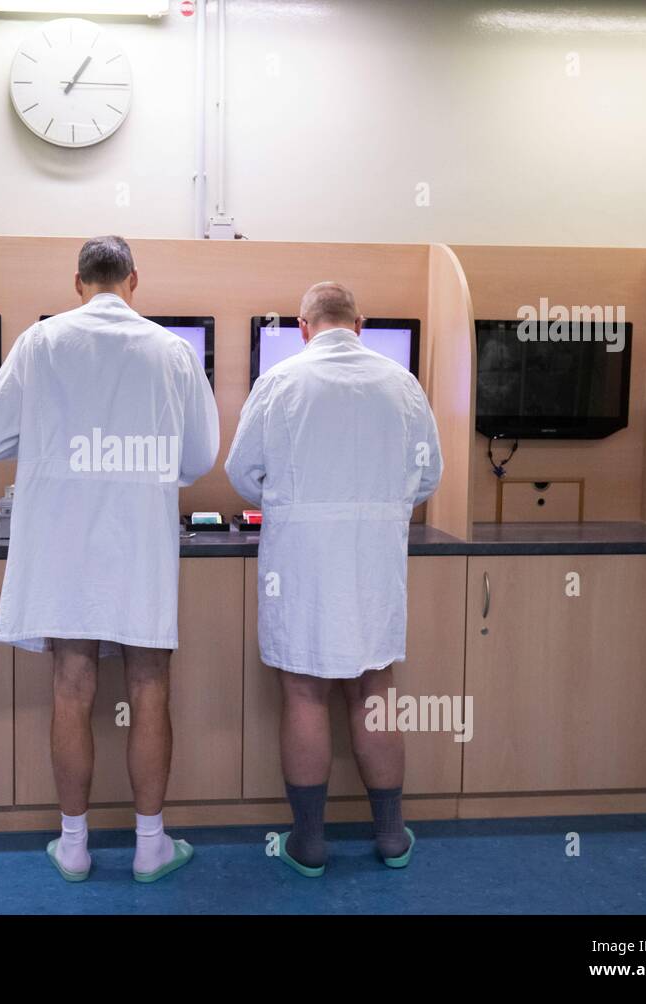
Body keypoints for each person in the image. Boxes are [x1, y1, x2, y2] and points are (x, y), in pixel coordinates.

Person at [0, 235, 220, 883]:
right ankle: (151, 846)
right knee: (149, 686)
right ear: (135, 280)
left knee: (71, 687)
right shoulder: (173, 351)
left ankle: (73, 847)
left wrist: (47, 431)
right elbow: (197, 460)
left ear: (77, 282)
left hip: (63, 543)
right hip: (141, 543)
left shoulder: (42, 342)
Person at [225, 281, 442, 877]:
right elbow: (428, 477)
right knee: (375, 689)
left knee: (303, 691)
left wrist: (292, 495)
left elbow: (243, 473)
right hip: (373, 558)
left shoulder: (280, 382)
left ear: (302, 326)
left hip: (301, 559)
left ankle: (311, 842)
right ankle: (392, 835)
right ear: (360, 323)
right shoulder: (402, 384)